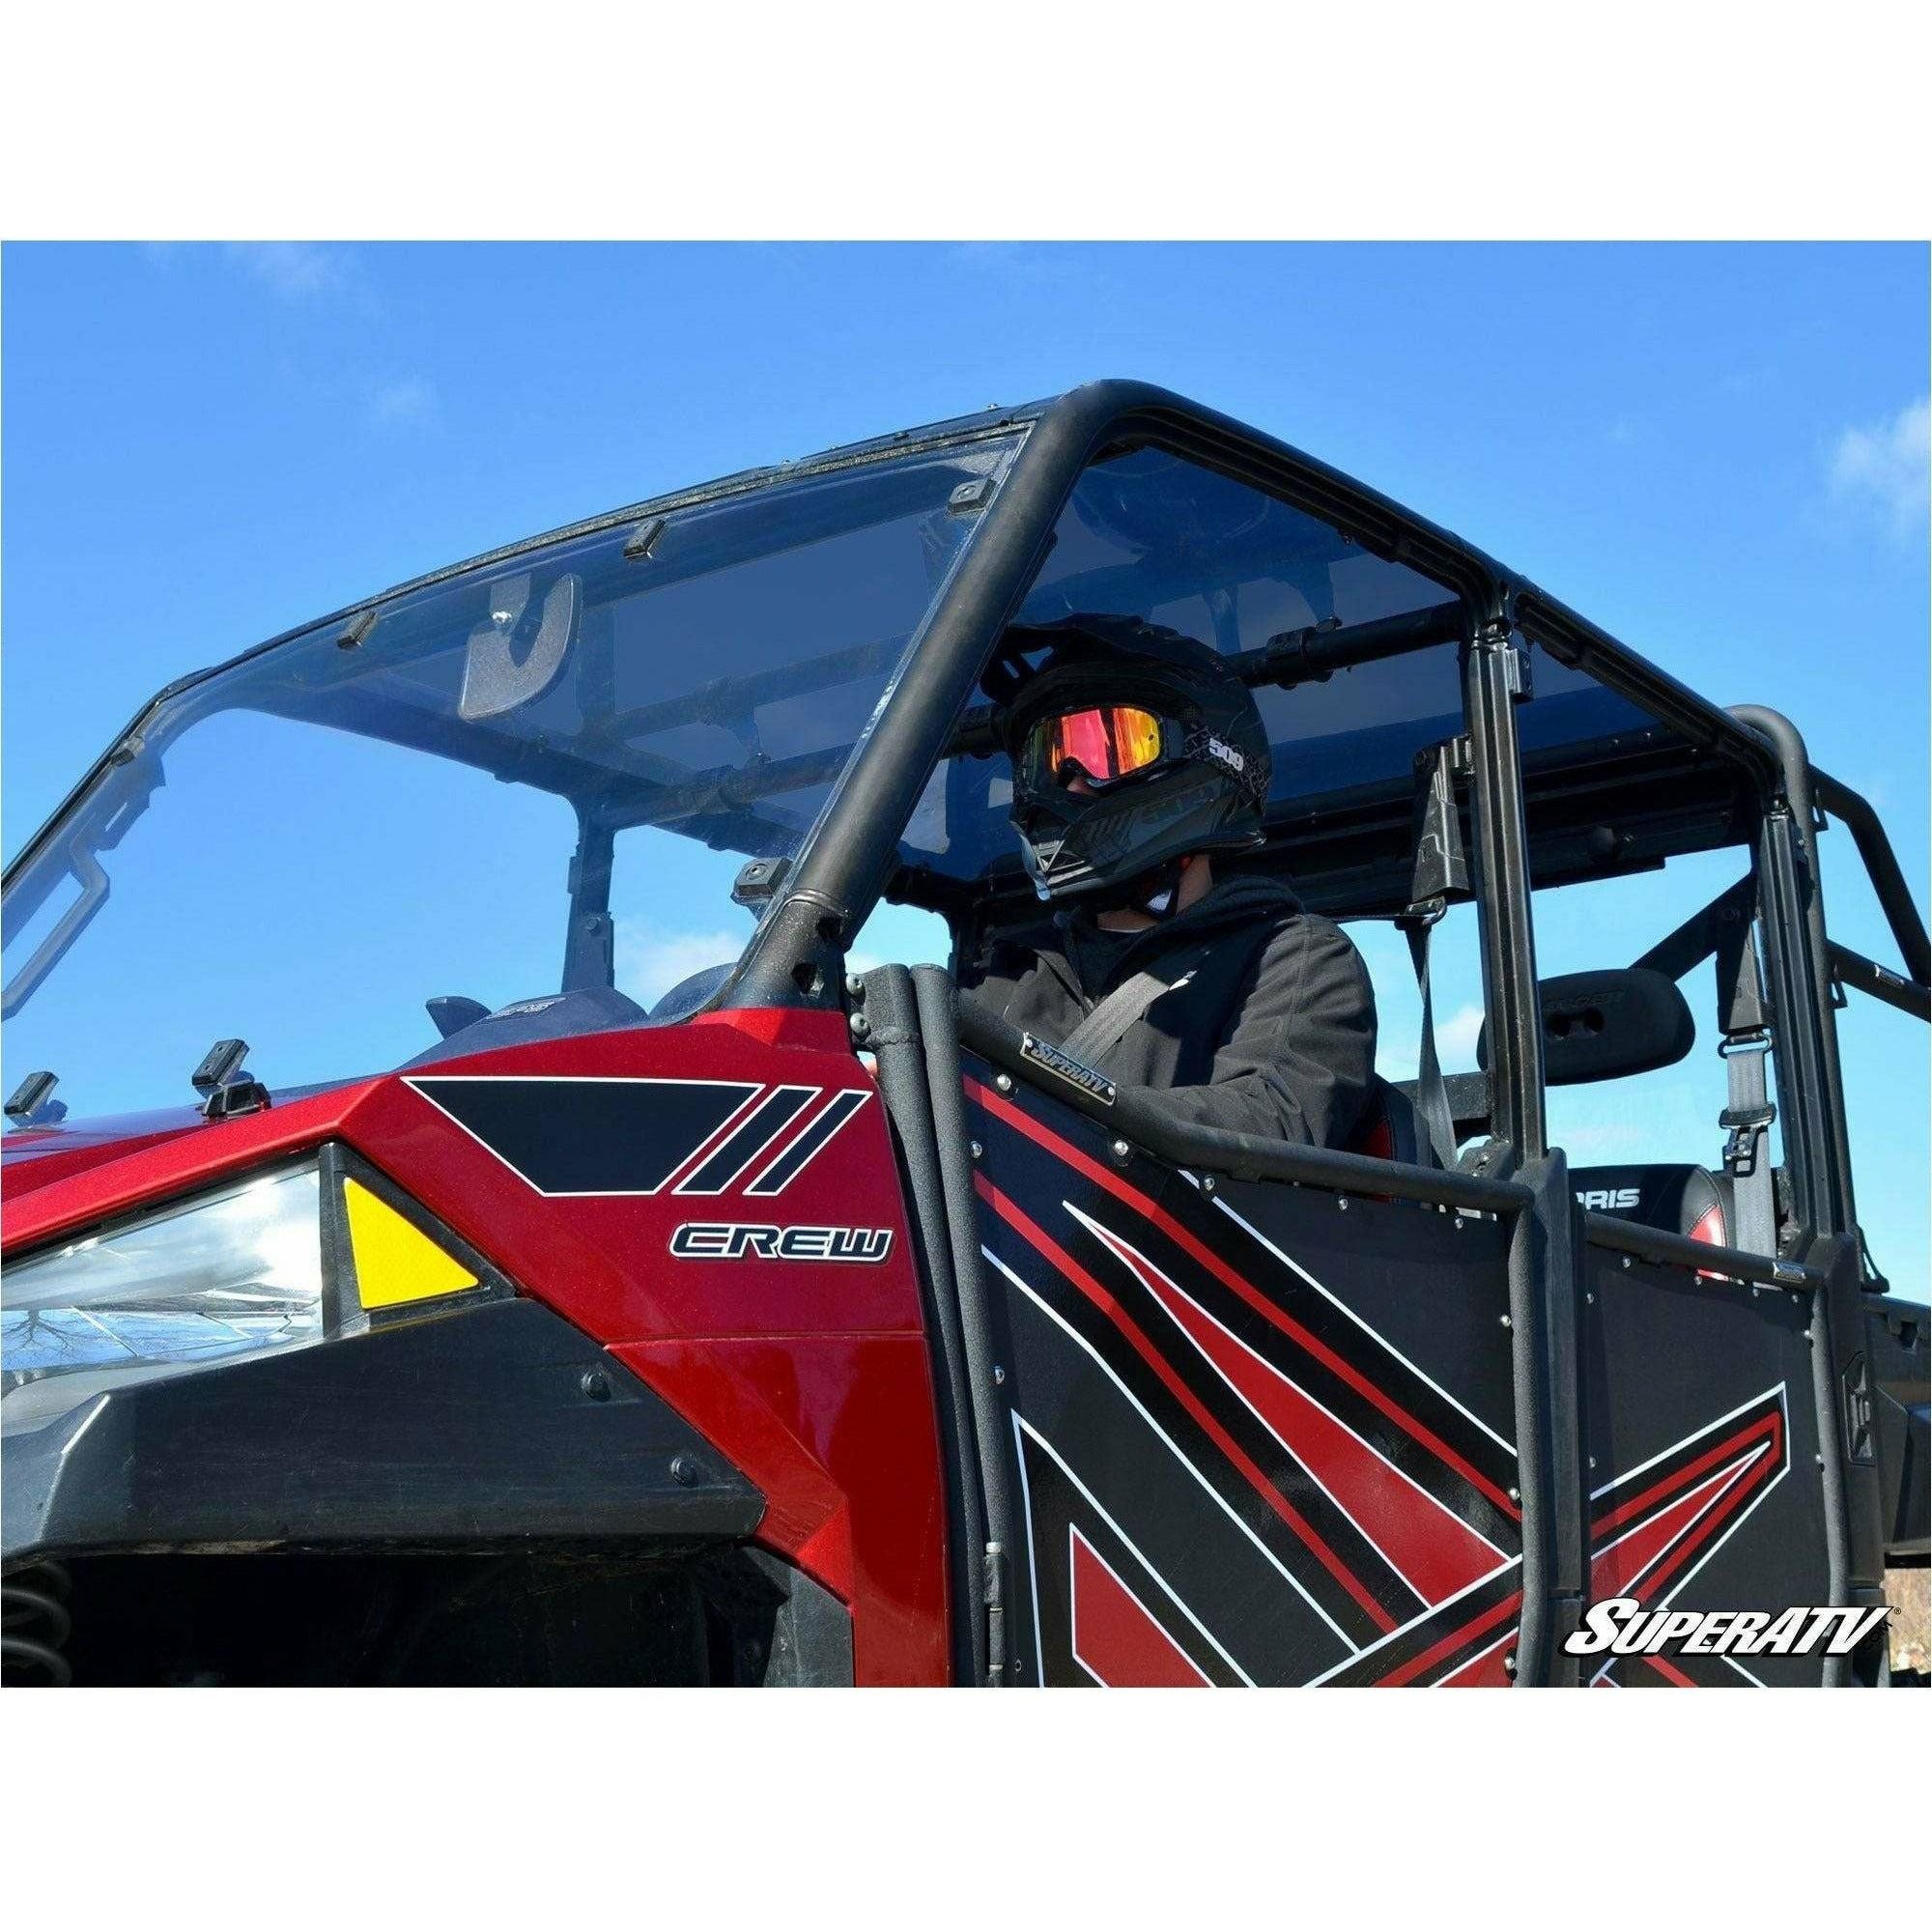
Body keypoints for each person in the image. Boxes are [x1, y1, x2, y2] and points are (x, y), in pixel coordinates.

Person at [960, 616, 1378, 1149]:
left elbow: (1273, 1119)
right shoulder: (1010, 971)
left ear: (1206, 759)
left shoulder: (1294, 957)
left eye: (1111, 747)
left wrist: (1012, 1108)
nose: (1071, 782)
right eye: (1049, 758)